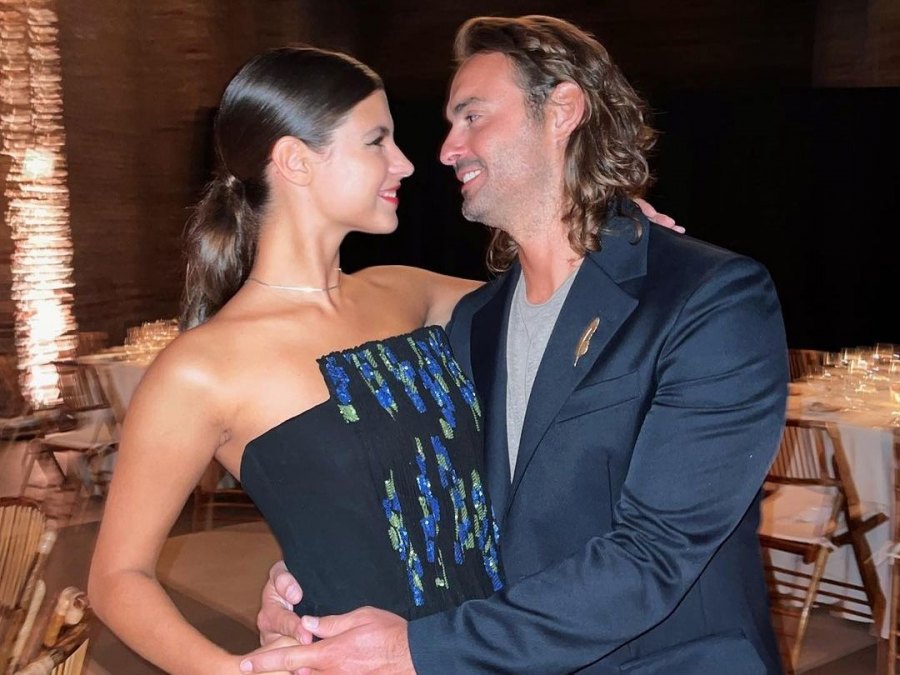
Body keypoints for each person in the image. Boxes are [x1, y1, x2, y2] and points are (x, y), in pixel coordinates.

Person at [86, 42, 681, 674]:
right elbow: (117, 577)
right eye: (376, 142)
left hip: (497, 647)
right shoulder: (199, 369)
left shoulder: (407, 292)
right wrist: (231, 672)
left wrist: (603, 228)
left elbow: (561, 300)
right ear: (294, 161)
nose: (405, 163)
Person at [247, 15, 788, 675]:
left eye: (472, 116)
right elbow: (429, 497)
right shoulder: (474, 322)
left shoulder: (706, 297)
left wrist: (417, 649)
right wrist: (302, 576)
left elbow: (654, 555)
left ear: (562, 111)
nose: (447, 149)